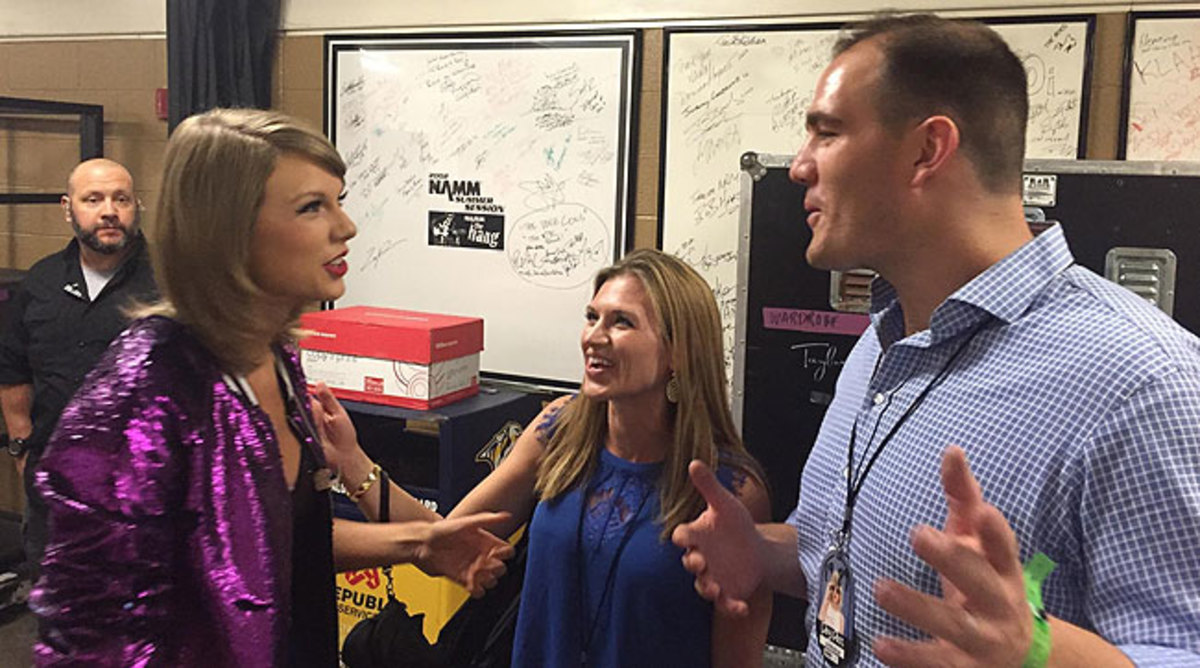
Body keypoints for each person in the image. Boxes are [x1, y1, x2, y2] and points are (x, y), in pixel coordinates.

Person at [672, 13, 1200, 667]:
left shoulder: (1142, 381)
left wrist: (1036, 651)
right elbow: (843, 563)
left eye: (827, 133)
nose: (799, 167)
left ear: (928, 150)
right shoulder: (880, 346)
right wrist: (764, 554)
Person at [29, 108, 513, 667]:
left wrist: (419, 544)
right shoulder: (147, 388)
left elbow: (272, 545)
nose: (346, 227)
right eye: (312, 207)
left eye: (340, 199)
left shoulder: (277, 360)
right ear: (229, 229)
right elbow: (85, 637)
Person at [449, 248, 772, 667]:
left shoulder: (730, 490)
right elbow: (446, 541)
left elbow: (736, 658)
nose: (594, 337)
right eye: (591, 316)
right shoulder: (559, 431)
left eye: (621, 321)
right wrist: (359, 471)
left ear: (679, 353)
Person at [0, 158, 157, 572]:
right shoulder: (41, 282)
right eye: (94, 199)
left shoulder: (169, 284)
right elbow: (13, 369)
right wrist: (21, 448)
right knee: (59, 617)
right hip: (54, 490)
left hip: (144, 493)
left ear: (135, 206)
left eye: (120, 199)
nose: (109, 210)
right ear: (68, 208)